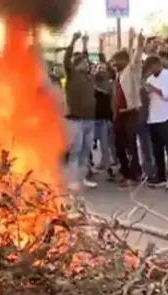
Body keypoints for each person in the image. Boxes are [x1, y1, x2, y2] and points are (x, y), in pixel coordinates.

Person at [61, 31, 97, 191]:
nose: (87, 64)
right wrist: (73, 40)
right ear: (77, 64)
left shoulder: (89, 77)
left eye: (87, 62)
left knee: (86, 150)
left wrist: (85, 44)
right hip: (76, 120)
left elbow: (87, 56)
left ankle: (82, 178)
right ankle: (72, 180)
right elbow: (66, 59)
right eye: (84, 62)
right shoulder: (72, 74)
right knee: (76, 150)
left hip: (90, 119)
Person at [110, 28, 144, 187]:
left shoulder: (132, 71)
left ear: (123, 61)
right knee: (119, 145)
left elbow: (135, 57)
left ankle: (135, 174)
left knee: (131, 145)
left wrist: (136, 42)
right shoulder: (118, 74)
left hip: (130, 113)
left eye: (116, 61)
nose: (113, 64)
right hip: (119, 115)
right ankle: (125, 173)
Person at [143, 56, 168, 189]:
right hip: (153, 118)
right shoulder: (150, 79)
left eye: (152, 67)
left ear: (158, 64)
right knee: (157, 150)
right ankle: (161, 177)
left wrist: (155, 89)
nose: (151, 71)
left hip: (167, 118)